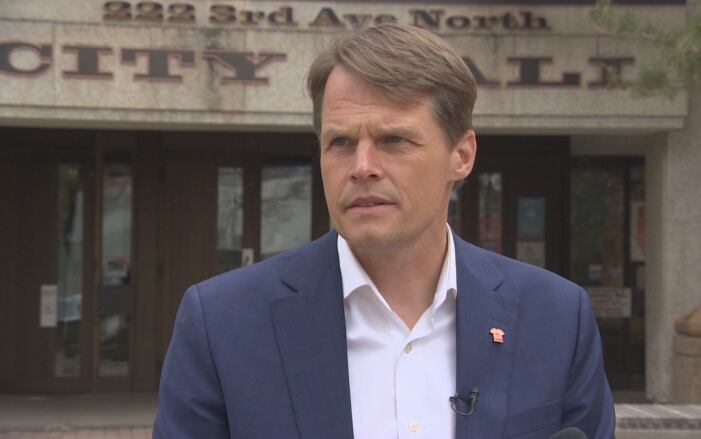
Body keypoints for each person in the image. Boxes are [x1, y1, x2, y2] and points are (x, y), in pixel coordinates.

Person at [153, 24, 615, 439]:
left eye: (394, 140)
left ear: (462, 154)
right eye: (341, 143)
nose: (362, 167)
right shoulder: (221, 323)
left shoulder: (555, 317)